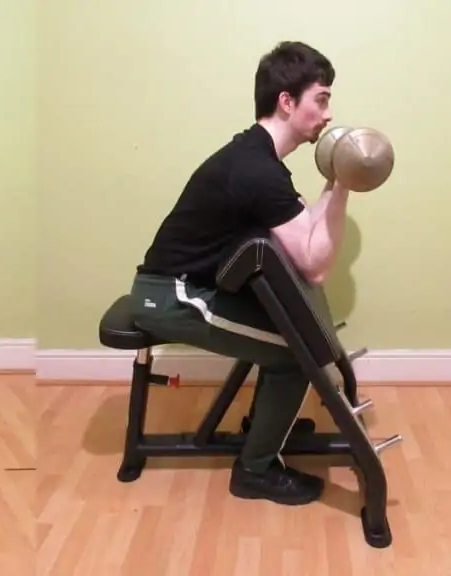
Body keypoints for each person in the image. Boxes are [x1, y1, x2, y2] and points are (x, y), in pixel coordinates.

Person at [130, 41, 348, 506]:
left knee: (289, 335)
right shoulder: (256, 169)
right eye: (322, 99)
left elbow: (307, 236)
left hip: (192, 286)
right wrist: (344, 182)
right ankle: (256, 470)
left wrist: (335, 177)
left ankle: (264, 427)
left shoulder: (261, 160)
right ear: (287, 102)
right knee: (296, 356)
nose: (328, 114)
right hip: (169, 296)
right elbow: (315, 262)